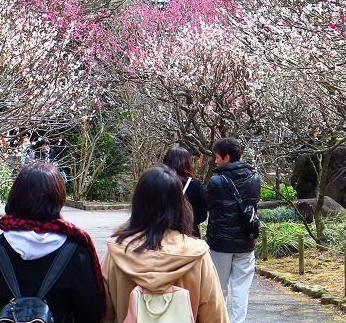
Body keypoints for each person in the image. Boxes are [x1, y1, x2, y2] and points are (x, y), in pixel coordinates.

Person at [0, 163, 104, 323]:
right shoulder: (75, 250)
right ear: (58, 198)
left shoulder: (1, 246)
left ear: (15, 197)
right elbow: (90, 311)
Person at [101, 166, 228, 323]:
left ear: (138, 203)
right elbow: (215, 317)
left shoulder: (116, 252)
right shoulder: (196, 255)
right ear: (179, 205)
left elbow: (103, 314)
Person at [205, 137, 260, 323]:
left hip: (221, 243)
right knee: (241, 287)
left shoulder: (216, 181)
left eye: (217, 157)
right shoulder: (254, 177)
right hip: (246, 239)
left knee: (219, 287)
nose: (215, 160)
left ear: (226, 157)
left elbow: (208, 205)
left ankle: (220, 320)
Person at [163, 145, 207, 237]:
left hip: (161, 234)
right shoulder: (194, 184)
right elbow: (202, 213)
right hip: (189, 233)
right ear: (186, 163)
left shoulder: (157, 182)